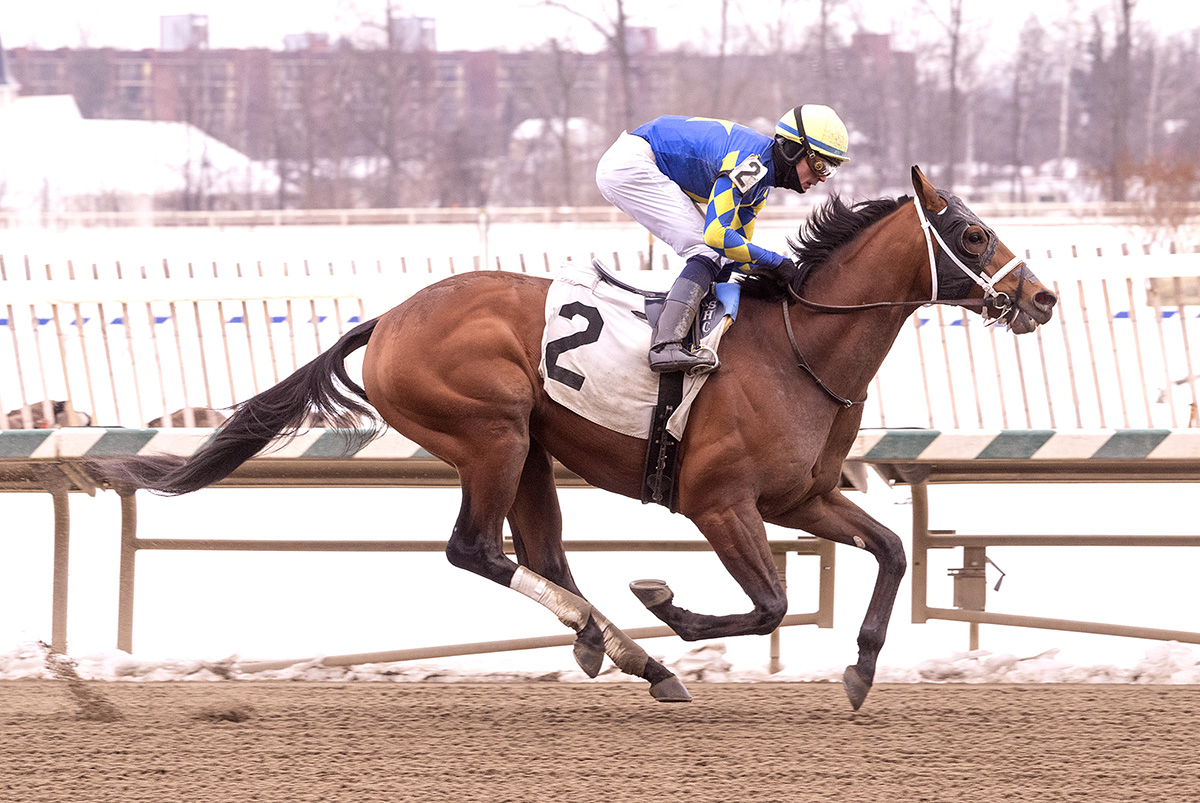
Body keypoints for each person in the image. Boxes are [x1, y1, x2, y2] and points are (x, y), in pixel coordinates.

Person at [595, 105, 850, 374]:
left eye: (830, 170)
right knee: (706, 249)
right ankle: (666, 345)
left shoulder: (758, 189)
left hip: (638, 160)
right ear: (792, 150)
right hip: (631, 163)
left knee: (715, 254)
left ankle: (693, 333)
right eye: (820, 164)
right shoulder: (751, 165)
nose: (822, 177)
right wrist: (776, 262)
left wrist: (782, 273)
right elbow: (716, 236)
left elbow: (735, 254)